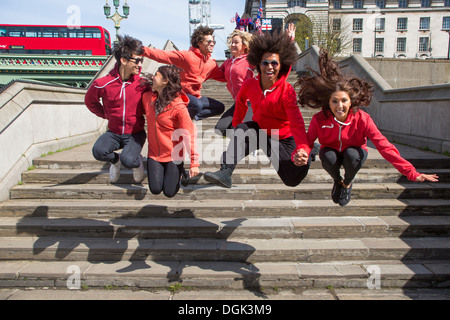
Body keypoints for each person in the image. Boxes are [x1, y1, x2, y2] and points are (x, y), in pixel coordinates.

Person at [296, 49, 439, 206]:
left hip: (355, 153)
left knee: (351, 154)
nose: (339, 106)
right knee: (326, 155)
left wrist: (411, 172)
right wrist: (302, 152)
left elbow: (384, 146)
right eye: (334, 101)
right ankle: (338, 181)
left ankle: (347, 183)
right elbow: (307, 142)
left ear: (351, 101)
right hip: (332, 152)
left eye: (344, 100)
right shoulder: (320, 119)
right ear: (328, 103)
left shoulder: (362, 119)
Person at [203, 31, 311, 188]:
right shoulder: (250, 85)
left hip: (283, 138)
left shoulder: (286, 91)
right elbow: (240, 104)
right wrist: (236, 126)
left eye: (274, 63)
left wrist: (303, 148)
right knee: (242, 128)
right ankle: (225, 172)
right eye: (265, 63)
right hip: (260, 130)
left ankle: (311, 152)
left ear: (281, 66)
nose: (269, 67)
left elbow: (297, 122)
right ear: (258, 64)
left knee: (291, 180)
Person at [85, 35, 148, 184]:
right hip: (113, 132)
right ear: (123, 60)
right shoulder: (103, 83)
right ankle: (115, 161)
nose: (140, 65)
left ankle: (136, 161)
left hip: (135, 133)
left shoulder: (143, 84)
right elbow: (90, 101)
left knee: (130, 160)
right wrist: (106, 114)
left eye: (142, 60)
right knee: (98, 152)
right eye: (137, 60)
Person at [142, 26, 226, 121]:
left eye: (213, 42)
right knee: (197, 105)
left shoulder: (211, 64)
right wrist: (142, 50)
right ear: (199, 43)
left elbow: (226, 76)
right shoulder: (187, 57)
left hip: (195, 96)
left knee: (219, 107)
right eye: (208, 42)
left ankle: (189, 118)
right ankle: (178, 119)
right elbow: (163, 55)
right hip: (179, 94)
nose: (212, 44)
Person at [141, 65, 200, 198]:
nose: (153, 77)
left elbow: (189, 135)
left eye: (156, 75)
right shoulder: (147, 98)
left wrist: (194, 163)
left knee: (169, 192)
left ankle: (181, 173)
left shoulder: (178, 108)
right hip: (154, 154)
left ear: (165, 81)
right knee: (155, 189)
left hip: (174, 156)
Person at [214, 29, 255, 137]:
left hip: (250, 102)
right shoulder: (227, 62)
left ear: (244, 45)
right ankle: (247, 139)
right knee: (220, 128)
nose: (232, 45)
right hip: (238, 102)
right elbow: (219, 75)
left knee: (237, 129)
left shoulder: (250, 60)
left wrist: (289, 39)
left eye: (236, 42)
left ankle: (249, 139)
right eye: (232, 42)